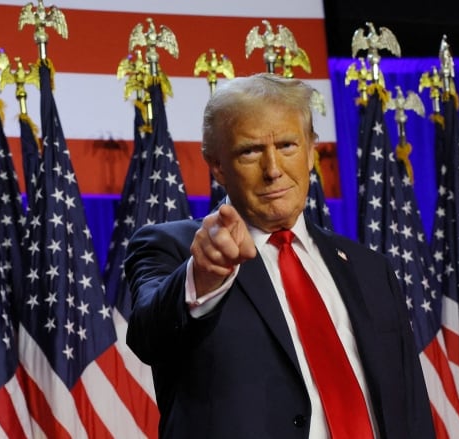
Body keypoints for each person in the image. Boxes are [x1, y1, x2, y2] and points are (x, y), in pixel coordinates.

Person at [125, 73, 435, 438]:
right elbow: (149, 336)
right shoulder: (174, 248)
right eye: (250, 151)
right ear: (217, 165)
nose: (273, 170)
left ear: (310, 152)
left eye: (287, 145)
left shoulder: (370, 269)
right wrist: (204, 277)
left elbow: (410, 407)